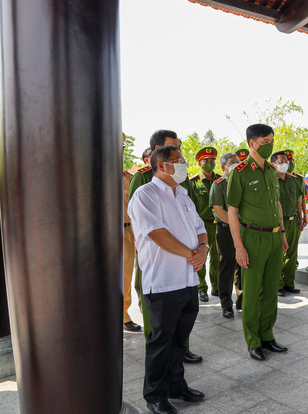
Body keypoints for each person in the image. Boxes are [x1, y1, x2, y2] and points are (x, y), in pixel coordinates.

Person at [128, 145, 207, 414]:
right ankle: (154, 395)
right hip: (163, 282)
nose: (184, 164)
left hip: (188, 280)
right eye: (179, 160)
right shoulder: (145, 195)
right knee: (160, 341)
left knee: (179, 339)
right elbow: (156, 234)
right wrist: (191, 254)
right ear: (161, 165)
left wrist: (203, 249)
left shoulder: (183, 194)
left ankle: (177, 385)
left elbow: (200, 227)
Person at [227, 124, 289, 361]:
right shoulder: (240, 172)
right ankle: (253, 341)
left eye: (271, 141)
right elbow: (232, 211)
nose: (270, 146)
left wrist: (282, 234)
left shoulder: (273, 171)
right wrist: (239, 246)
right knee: (252, 293)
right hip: (252, 237)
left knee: (271, 289)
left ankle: (267, 335)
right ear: (252, 143)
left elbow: (278, 204)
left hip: (274, 236)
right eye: (265, 142)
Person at [209, 152, 243, 318]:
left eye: (237, 161)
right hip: (225, 229)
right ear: (223, 167)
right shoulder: (219, 184)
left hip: (244, 229)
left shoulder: (244, 181)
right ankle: (226, 303)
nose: (236, 164)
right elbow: (218, 210)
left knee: (243, 265)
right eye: (231, 162)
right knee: (227, 265)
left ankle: (242, 299)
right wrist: (236, 225)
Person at [271, 151, 305, 297]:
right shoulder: (271, 180)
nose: (285, 164)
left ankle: (289, 283)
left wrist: (301, 217)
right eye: (281, 161)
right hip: (278, 223)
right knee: (278, 254)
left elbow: (298, 200)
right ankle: (277, 284)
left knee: (292, 254)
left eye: (286, 161)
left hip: (293, 221)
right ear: (273, 164)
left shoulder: (293, 180)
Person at [190, 146, 221, 302]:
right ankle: (202, 288)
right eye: (205, 161)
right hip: (200, 227)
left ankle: (216, 286)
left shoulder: (221, 180)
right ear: (199, 163)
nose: (209, 163)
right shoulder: (193, 183)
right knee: (201, 257)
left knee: (217, 258)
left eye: (212, 160)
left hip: (218, 225)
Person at [123, 133, 141, 332]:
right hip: (103, 235)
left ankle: (124, 314)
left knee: (126, 274)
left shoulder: (127, 176)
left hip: (127, 230)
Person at [133, 147, 154, 308]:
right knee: (143, 266)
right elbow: (134, 210)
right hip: (146, 233)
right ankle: (142, 301)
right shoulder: (142, 176)